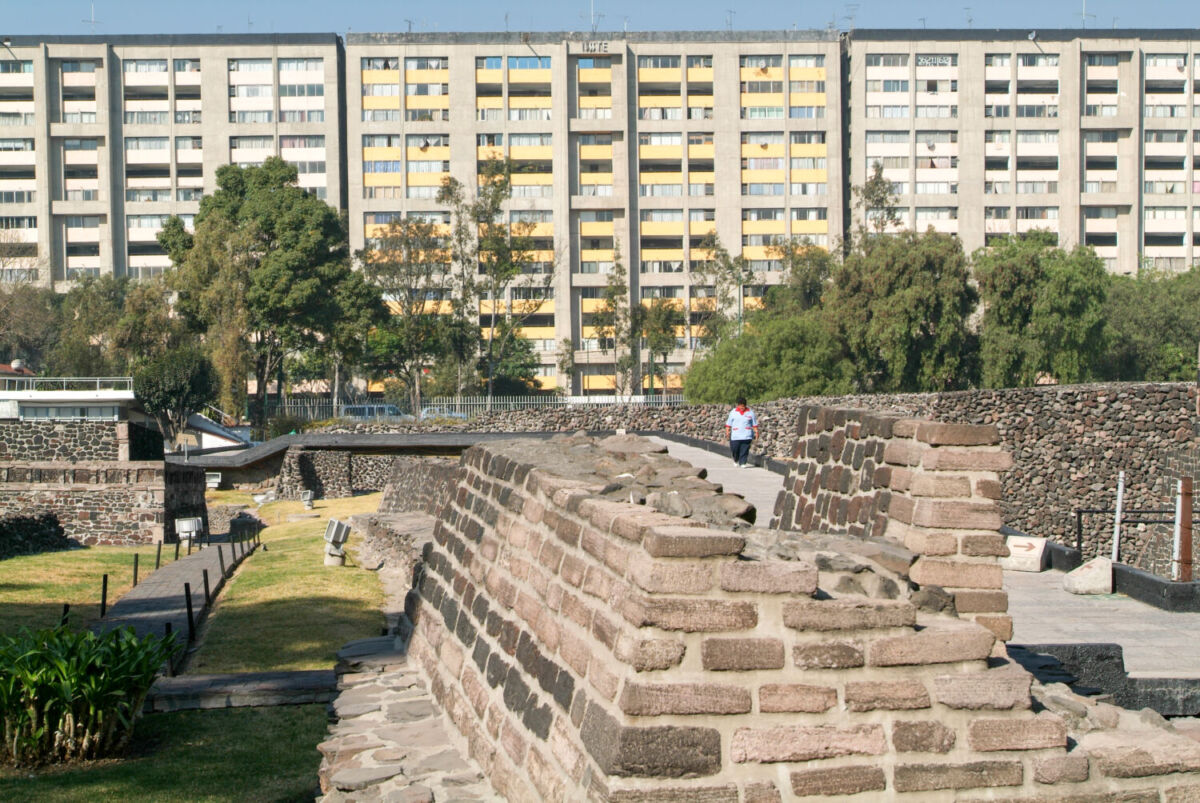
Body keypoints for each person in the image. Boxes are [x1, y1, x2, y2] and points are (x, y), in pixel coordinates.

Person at [724, 396, 758, 468]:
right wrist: (727, 432)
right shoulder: (733, 412)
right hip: (735, 435)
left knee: (745, 449)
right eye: (740, 406)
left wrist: (756, 432)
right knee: (735, 449)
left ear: (745, 405)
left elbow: (754, 424)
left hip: (746, 435)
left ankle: (743, 462)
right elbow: (728, 424)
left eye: (743, 406)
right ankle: (736, 459)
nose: (742, 407)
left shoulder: (750, 413)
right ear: (738, 405)